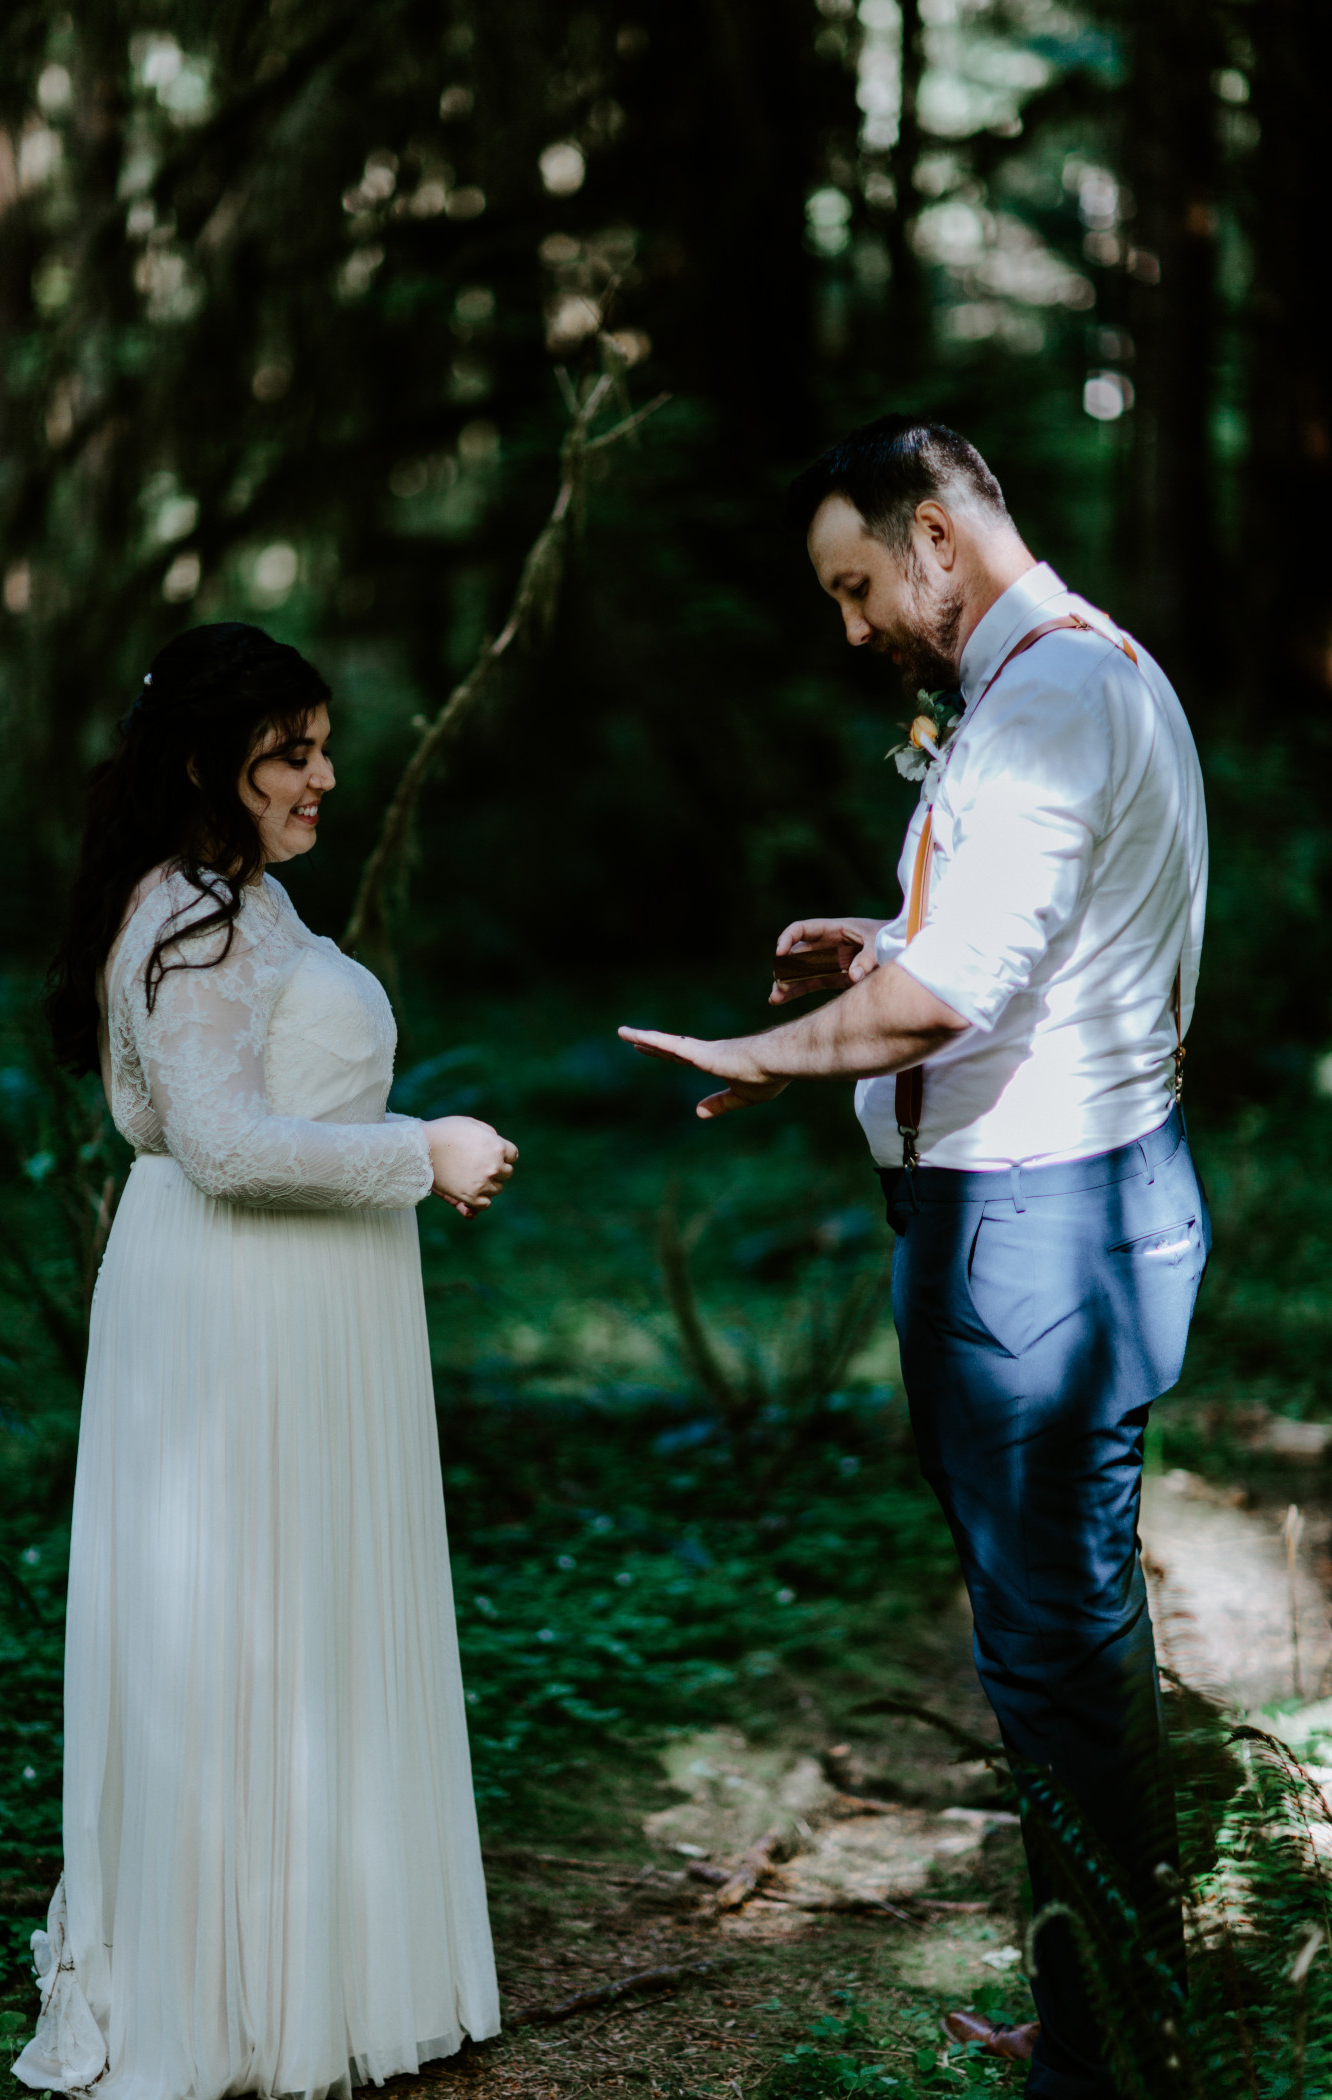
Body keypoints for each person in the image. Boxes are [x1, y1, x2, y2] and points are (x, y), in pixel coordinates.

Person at [619, 415, 1208, 2100]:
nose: (856, 623)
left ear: (940, 537)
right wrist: (886, 940)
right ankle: (1109, 2014)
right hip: (1072, 1208)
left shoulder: (1052, 700)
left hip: (1034, 1234)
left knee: (1052, 1652)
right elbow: (1037, 945)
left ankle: (1110, 2051)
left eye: (861, 582)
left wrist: (759, 1052)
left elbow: (959, 1001)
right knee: (1062, 1638)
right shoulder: (1095, 673)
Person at [19, 623, 516, 2100]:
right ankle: (226, 2000)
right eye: (289, 752)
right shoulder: (183, 915)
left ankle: (315, 1975)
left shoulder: (247, 904)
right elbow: (218, 1142)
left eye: (320, 745)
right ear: (206, 766)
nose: (325, 774)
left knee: (302, 1619)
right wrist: (418, 1152)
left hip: (300, 1303)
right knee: (235, 1631)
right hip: (230, 1309)